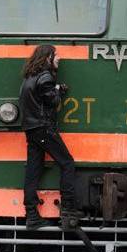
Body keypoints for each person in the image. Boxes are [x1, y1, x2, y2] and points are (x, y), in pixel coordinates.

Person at [19, 45, 82, 230]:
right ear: (48, 57)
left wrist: (55, 89)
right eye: (56, 56)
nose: (59, 59)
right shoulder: (46, 77)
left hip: (31, 128)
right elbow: (52, 101)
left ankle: (32, 215)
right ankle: (68, 210)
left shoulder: (29, 77)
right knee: (67, 163)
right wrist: (58, 90)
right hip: (43, 128)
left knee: (33, 170)